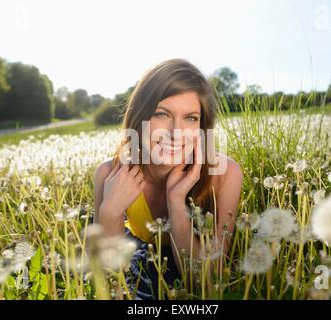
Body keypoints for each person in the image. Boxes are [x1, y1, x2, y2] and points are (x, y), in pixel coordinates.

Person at [93, 58, 243, 299]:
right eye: (162, 114)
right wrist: (110, 212)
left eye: (191, 118)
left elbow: (207, 280)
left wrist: (176, 201)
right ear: (139, 117)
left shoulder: (225, 175)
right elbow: (111, 280)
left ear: (202, 126)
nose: (176, 133)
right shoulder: (108, 174)